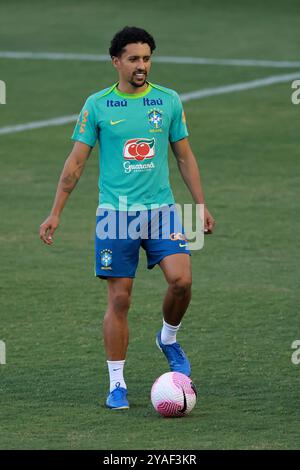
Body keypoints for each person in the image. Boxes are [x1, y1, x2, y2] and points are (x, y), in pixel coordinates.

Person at [39, 26, 215, 410]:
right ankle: (117, 384)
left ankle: (168, 337)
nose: (142, 66)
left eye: (147, 58)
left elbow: (184, 156)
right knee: (120, 299)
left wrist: (199, 204)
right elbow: (76, 163)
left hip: (163, 210)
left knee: (182, 281)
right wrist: (56, 212)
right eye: (134, 59)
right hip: (115, 216)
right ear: (116, 62)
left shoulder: (168, 101)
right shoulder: (98, 105)